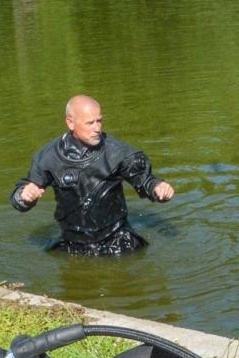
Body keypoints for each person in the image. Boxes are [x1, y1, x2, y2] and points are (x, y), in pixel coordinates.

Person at [11, 94, 175, 255]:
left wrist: (157, 187)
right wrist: (25, 196)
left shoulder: (117, 151)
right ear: (70, 123)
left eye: (99, 121)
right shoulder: (48, 157)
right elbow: (21, 196)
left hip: (118, 240)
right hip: (72, 242)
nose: (97, 128)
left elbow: (144, 180)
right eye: (90, 123)